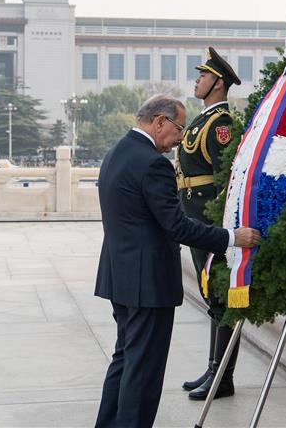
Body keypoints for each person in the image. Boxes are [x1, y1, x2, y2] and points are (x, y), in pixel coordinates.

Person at [94, 95, 261, 428]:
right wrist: (231, 237)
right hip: (147, 284)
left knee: (124, 360)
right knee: (143, 371)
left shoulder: (116, 153)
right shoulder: (152, 163)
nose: (181, 139)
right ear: (159, 122)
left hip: (120, 277)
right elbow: (177, 225)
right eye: (179, 129)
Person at [176, 47, 242, 401]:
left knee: (220, 298)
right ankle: (214, 368)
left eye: (203, 75)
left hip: (209, 223)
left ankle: (223, 376)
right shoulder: (203, 120)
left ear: (219, 83)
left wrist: (220, 229)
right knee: (212, 297)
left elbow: (226, 180)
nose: (197, 80)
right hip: (195, 220)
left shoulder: (220, 125)